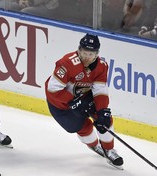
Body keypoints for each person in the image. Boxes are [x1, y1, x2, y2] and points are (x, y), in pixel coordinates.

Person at [45, 33, 123, 168]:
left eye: (91, 54)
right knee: (81, 126)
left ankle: (109, 150)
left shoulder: (101, 66)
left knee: (104, 118)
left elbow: (100, 90)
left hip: (84, 96)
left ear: (97, 54)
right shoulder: (67, 63)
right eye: (84, 53)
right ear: (79, 50)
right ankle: (94, 145)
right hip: (61, 104)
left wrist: (103, 110)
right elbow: (52, 89)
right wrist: (73, 102)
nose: (87, 57)